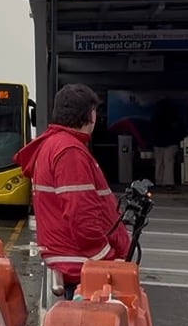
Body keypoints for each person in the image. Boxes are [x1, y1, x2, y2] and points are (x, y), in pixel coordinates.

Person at [13, 83, 130, 299]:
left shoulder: (54, 145)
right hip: (82, 268)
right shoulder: (70, 152)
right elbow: (81, 215)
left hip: (71, 262)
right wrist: (107, 257)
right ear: (90, 115)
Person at [150, 99, 184, 190]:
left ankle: (158, 181)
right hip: (170, 142)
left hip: (158, 143)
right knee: (168, 163)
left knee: (159, 163)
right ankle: (168, 182)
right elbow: (178, 129)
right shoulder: (173, 117)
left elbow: (152, 130)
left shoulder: (156, 117)